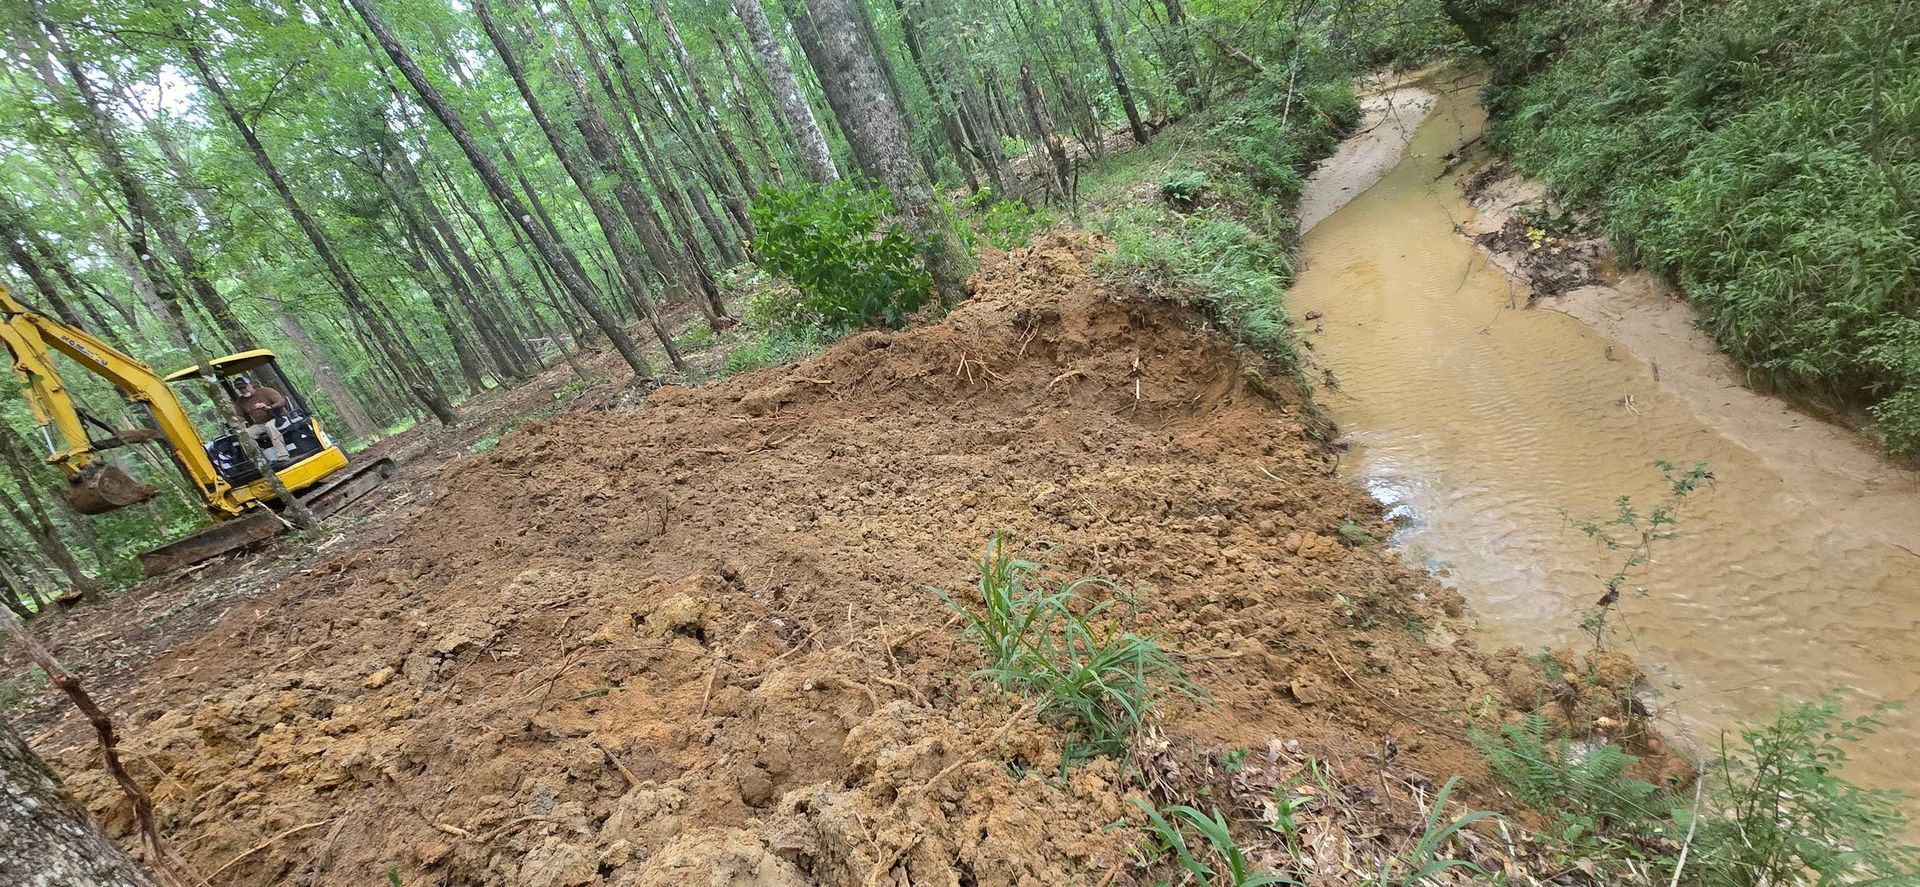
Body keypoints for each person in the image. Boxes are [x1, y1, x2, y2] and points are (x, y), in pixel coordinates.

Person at [233, 376, 291, 464]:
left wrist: (269, 407)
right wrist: (234, 420)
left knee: (269, 426)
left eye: (244, 387)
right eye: (240, 389)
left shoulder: (266, 391)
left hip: (277, 418)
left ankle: (283, 456)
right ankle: (261, 460)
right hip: (260, 423)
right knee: (245, 434)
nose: (243, 390)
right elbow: (240, 416)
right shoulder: (240, 401)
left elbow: (281, 402)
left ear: (250, 385)